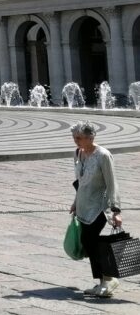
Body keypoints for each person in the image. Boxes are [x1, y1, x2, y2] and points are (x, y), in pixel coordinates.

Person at [70, 121, 124, 297]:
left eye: (79, 138)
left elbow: (112, 183)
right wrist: (75, 202)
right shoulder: (78, 153)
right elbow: (80, 181)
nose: (76, 141)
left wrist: (116, 211)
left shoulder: (103, 155)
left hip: (99, 207)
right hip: (83, 206)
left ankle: (108, 280)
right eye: (74, 137)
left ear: (90, 138)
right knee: (88, 243)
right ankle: (102, 282)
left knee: (91, 241)